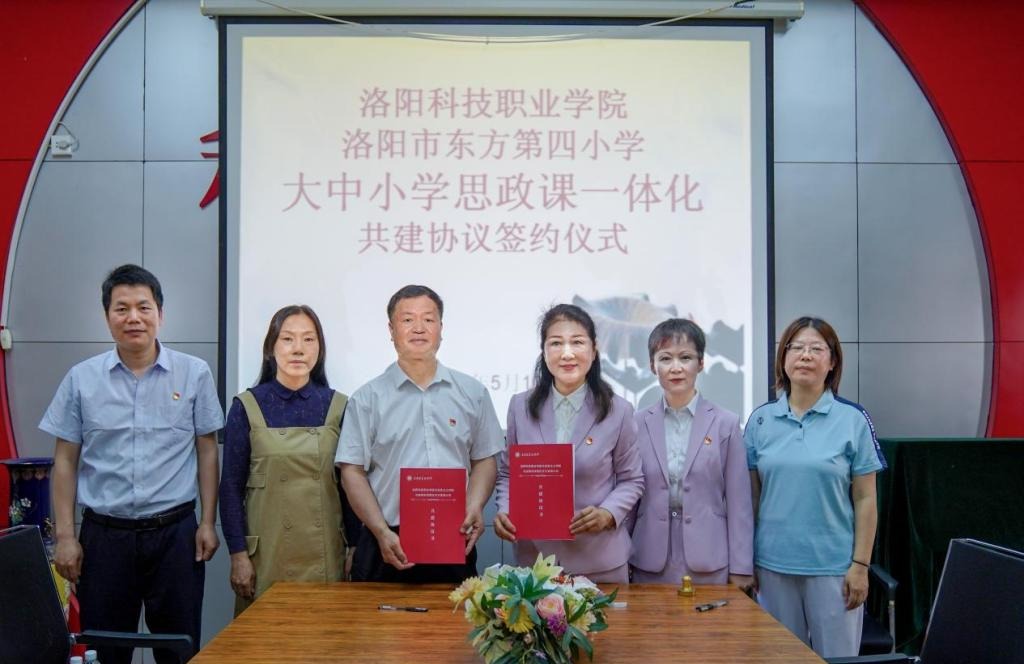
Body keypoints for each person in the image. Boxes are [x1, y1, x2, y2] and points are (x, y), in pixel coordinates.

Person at [41, 264, 223, 664]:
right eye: (121, 308)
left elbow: (207, 450)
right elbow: (65, 460)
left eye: (144, 307)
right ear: (107, 316)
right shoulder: (81, 379)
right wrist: (66, 537)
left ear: (161, 313)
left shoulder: (194, 373)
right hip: (105, 538)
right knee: (108, 650)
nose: (133, 318)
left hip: (175, 535)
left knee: (178, 649)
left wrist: (208, 522)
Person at [336, 285, 504, 583]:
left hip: (454, 536)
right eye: (407, 320)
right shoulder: (367, 398)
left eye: (428, 319)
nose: (419, 328)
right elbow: (352, 471)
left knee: (453, 615)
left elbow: (484, 460)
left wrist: (475, 505)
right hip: (387, 540)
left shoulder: (473, 393)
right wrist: (380, 531)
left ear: (441, 328)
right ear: (391, 330)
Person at [744, 316, 885, 658]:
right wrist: (748, 560)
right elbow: (752, 497)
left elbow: (866, 498)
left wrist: (861, 565)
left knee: (836, 659)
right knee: (779, 658)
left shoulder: (853, 420)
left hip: (834, 568)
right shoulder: (760, 421)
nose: (805, 355)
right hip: (772, 566)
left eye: (816, 349)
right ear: (783, 358)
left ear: (832, 361)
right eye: (796, 347)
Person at [219, 305, 358, 614]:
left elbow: (349, 487)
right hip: (267, 555)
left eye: (308, 339)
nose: (298, 349)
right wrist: (238, 554)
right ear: (271, 348)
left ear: (319, 349)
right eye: (287, 339)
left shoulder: (338, 406)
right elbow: (230, 488)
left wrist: (355, 546)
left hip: (326, 554)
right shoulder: (247, 406)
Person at [494, 303, 644, 583]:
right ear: (543, 351)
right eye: (556, 343)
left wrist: (608, 513)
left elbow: (632, 479)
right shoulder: (519, 406)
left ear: (594, 350)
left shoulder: (619, 410)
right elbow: (508, 473)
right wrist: (504, 509)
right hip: (535, 564)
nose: (567, 353)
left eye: (577, 342)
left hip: (600, 560)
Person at [628, 318, 753, 587]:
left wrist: (742, 567)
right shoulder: (636, 424)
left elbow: (739, 502)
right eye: (665, 358)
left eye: (685, 358)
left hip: (709, 557)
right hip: (648, 557)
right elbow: (629, 496)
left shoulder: (725, 423)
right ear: (652, 366)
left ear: (701, 363)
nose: (676, 368)